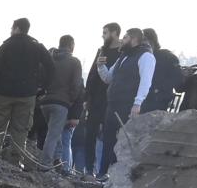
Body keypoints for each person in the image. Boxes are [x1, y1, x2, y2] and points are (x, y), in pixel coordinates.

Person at [0, 17, 53, 167]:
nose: (10, 31)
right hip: (26, 95)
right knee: (20, 130)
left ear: (16, 28)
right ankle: (15, 163)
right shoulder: (37, 47)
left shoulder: (6, 46)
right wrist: (43, 88)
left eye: (12, 28)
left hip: (2, 94)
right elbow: (51, 67)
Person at [97, 27, 156, 176]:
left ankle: (118, 177)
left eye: (125, 37)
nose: (122, 40)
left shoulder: (146, 57)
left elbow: (145, 82)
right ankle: (102, 174)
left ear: (134, 39)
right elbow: (109, 78)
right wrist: (100, 66)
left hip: (128, 106)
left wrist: (137, 103)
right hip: (113, 105)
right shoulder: (123, 57)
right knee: (108, 141)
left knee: (124, 143)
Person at [76, 22, 121, 174]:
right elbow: (93, 74)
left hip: (112, 101)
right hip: (95, 100)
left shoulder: (123, 52)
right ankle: (88, 170)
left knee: (109, 138)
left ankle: (104, 172)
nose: (103, 36)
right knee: (90, 135)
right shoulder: (101, 50)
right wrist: (87, 97)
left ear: (115, 33)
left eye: (105, 32)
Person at [39, 34, 84, 166]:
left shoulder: (49, 59)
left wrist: (42, 94)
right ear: (71, 46)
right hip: (61, 103)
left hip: (45, 102)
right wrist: (70, 100)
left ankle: (57, 160)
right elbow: (77, 85)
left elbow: (41, 77)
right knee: (53, 135)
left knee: (55, 132)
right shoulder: (74, 62)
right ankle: (45, 165)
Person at [143, 30, 181, 113]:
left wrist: (159, 90)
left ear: (151, 41)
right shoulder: (141, 57)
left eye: (144, 40)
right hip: (142, 100)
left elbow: (177, 78)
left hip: (158, 102)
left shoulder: (167, 57)